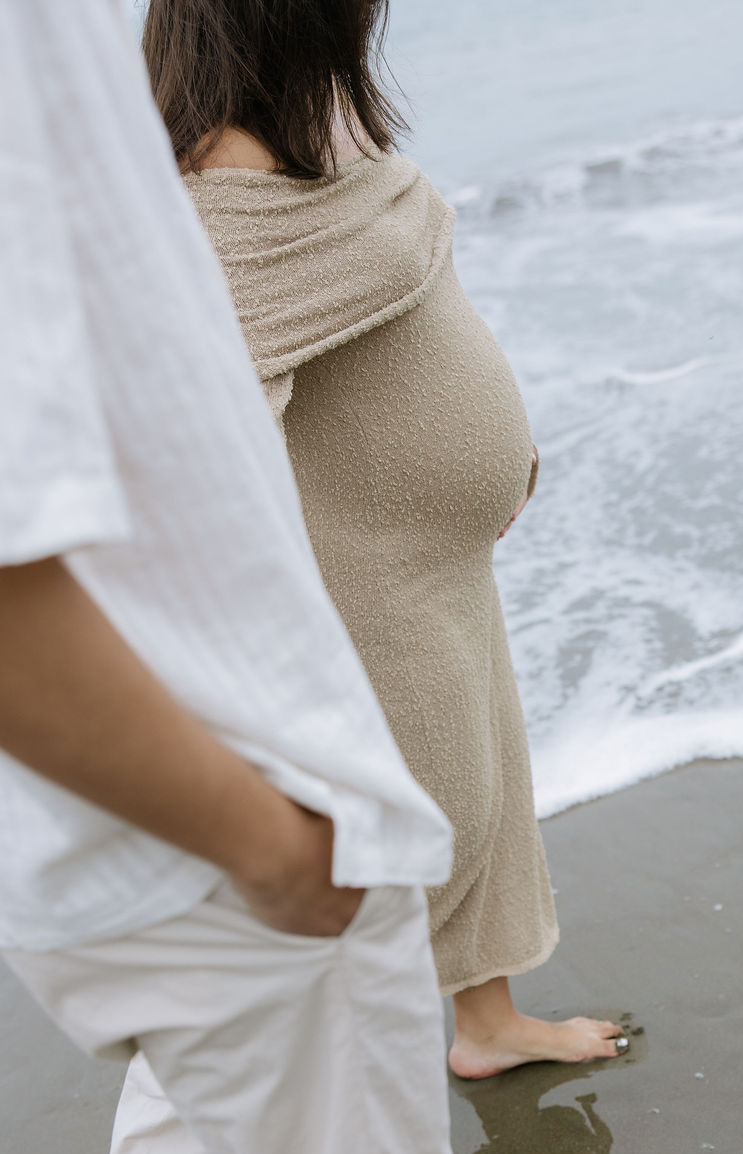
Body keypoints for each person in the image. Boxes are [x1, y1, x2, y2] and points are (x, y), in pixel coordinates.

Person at [0, 3, 655, 1154]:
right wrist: (265, 839)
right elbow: (102, 568)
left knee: (216, 1125)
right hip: (278, 792)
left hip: (277, 793)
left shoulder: (221, 160)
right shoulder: (189, 209)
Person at [142, 0, 630, 1081]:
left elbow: (405, 298)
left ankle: (488, 1023)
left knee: (489, 774)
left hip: (436, 548)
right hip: (356, 565)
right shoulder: (212, 194)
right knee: (434, 817)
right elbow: (199, 440)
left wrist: (496, 445)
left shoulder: (306, 118)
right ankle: (309, 1070)